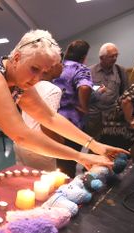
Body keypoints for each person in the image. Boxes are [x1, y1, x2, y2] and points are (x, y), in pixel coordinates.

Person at [0, 29, 127, 191]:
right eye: (34, 69)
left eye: (44, 72)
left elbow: (49, 117)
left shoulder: (20, 83)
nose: (37, 78)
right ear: (17, 57)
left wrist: (95, 145)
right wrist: (80, 156)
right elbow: (22, 136)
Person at [52, 39, 93, 177]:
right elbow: (85, 87)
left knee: (57, 159)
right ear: (83, 57)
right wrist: (84, 106)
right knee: (69, 162)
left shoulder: (56, 66)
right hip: (71, 124)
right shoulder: (80, 68)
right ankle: (66, 191)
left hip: (53, 120)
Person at [13, 62, 64, 171]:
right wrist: (60, 142)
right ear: (52, 66)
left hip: (21, 143)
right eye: (61, 63)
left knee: (24, 181)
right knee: (47, 184)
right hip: (39, 147)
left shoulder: (28, 85)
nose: (63, 67)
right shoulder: (53, 90)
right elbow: (46, 125)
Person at [86, 43, 129, 139]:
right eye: (111, 56)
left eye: (116, 55)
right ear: (102, 58)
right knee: (94, 146)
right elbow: (84, 96)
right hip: (94, 118)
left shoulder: (121, 71)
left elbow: (125, 94)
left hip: (113, 118)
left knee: (111, 144)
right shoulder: (89, 71)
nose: (114, 58)